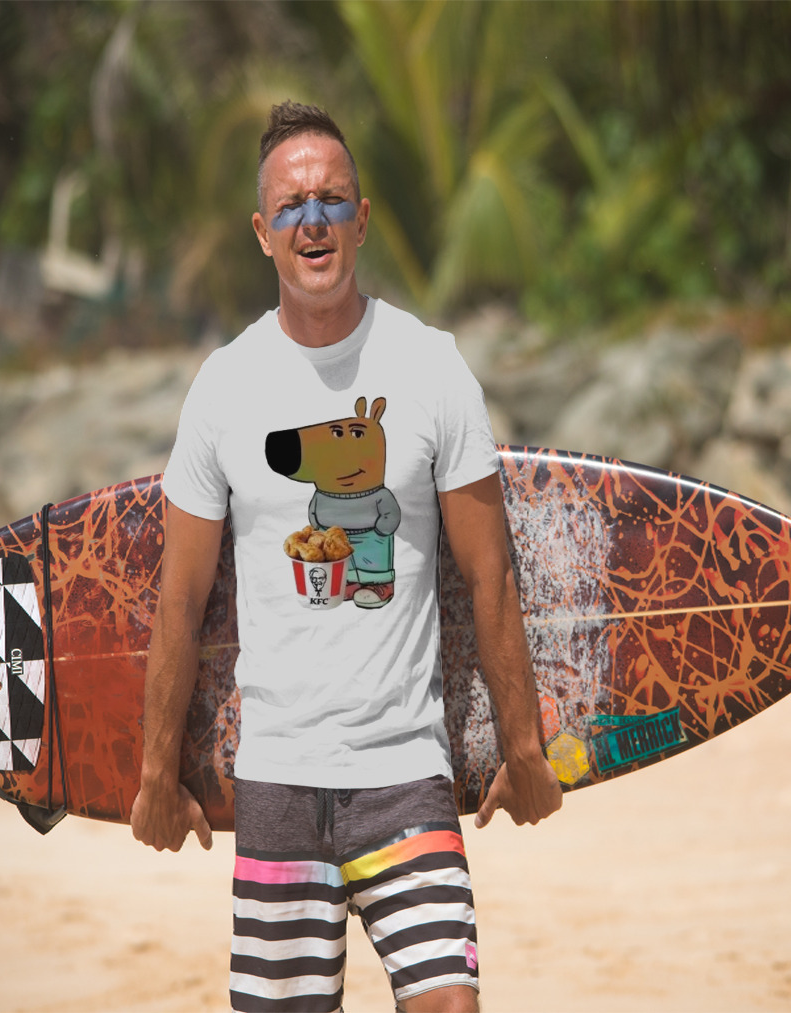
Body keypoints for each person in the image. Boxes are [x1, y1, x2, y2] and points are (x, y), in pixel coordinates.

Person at [131, 100, 562, 1013]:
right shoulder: (225, 386)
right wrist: (153, 772)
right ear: (262, 232)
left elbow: (490, 574)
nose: (313, 220)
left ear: (361, 219)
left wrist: (523, 746)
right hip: (279, 778)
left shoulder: (432, 367)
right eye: (291, 206)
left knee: (451, 1003)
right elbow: (180, 599)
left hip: (406, 771)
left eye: (332, 200)